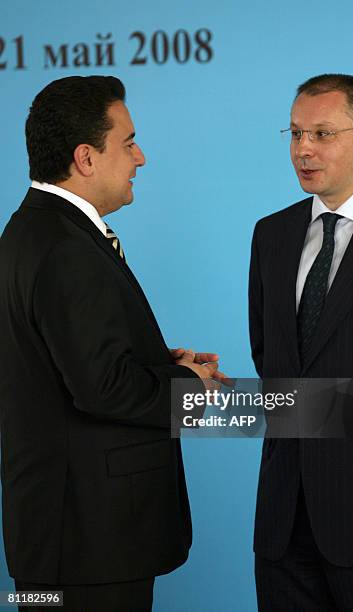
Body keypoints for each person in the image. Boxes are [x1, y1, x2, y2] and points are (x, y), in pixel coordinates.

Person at [0, 75, 225, 612]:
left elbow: (57, 365)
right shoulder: (65, 248)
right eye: (127, 143)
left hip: (55, 539)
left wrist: (156, 362)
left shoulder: (29, 233)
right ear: (86, 158)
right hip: (88, 547)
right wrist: (187, 385)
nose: (140, 157)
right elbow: (102, 388)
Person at [249, 74, 353, 611]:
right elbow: (270, 361)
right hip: (283, 525)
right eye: (296, 134)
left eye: (322, 134)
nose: (304, 149)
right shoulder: (270, 235)